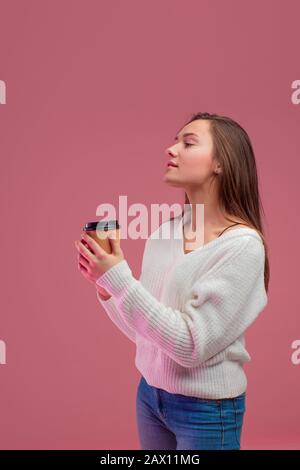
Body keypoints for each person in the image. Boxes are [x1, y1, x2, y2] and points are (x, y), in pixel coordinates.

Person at [75, 111, 270, 450]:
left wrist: (120, 279)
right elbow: (147, 334)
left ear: (221, 164)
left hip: (207, 411)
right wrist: (106, 288)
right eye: (174, 140)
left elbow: (191, 345)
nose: (171, 149)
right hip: (150, 398)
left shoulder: (243, 247)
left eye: (188, 143)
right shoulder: (164, 232)